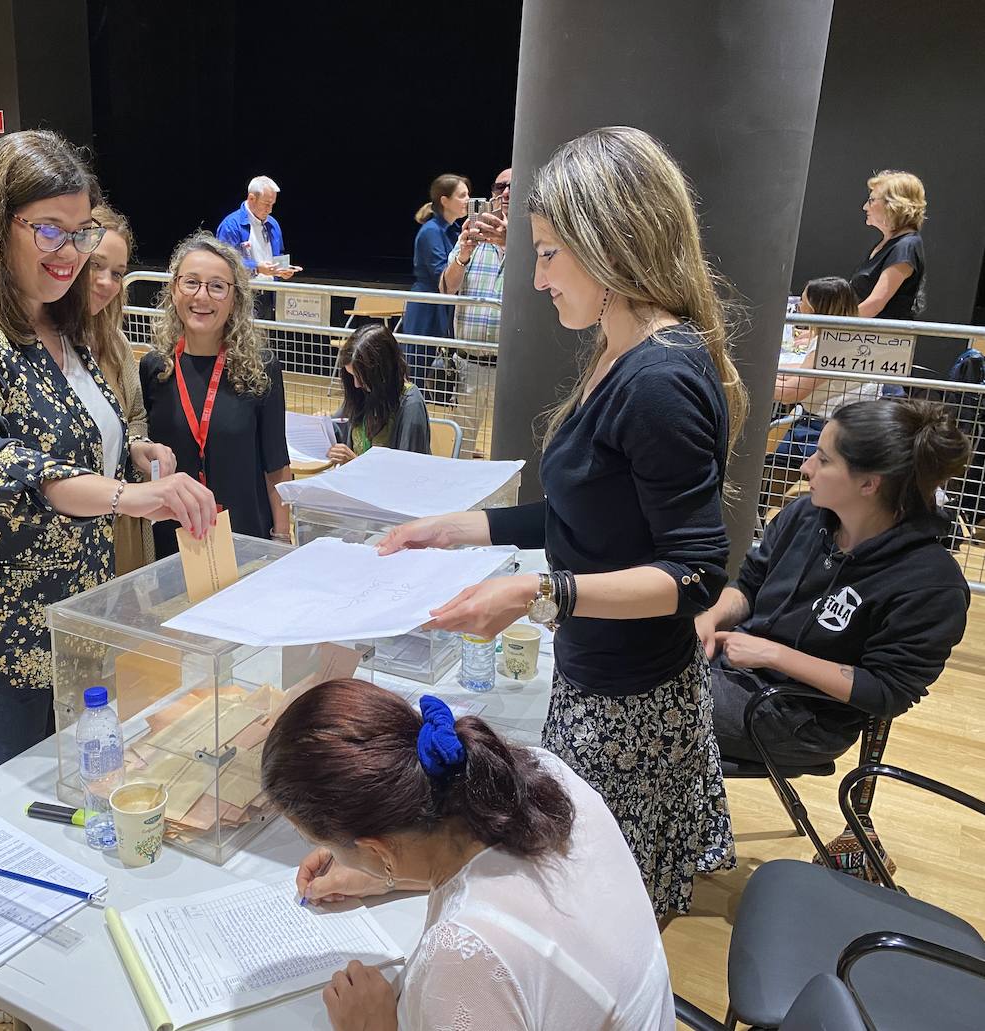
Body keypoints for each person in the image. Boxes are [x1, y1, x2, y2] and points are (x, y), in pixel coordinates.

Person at [378, 127, 747, 916]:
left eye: (548, 254)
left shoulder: (658, 376)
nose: (537, 278)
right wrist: (457, 527)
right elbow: (586, 512)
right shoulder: (622, 349)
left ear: (609, 243)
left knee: (595, 905)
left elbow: (693, 574)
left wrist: (539, 595)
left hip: (630, 702)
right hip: (602, 676)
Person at [0, 131, 216, 792]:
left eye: (81, 231)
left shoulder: (58, 321)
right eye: (49, 231)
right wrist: (126, 498)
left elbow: (74, 432)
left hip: (66, 615)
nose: (71, 253)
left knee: (68, 791)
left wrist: (126, 454)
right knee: (5, 804)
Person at [261, 679, 675, 1031]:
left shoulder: (462, 958)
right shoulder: (544, 776)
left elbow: (484, 952)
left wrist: (374, 1025)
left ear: (375, 846)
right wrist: (388, 873)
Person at [700, 399, 971, 767]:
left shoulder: (931, 584)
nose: (806, 467)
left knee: (637, 699)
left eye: (824, 461)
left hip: (803, 719)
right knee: (621, 661)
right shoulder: (804, 516)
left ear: (869, 484)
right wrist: (710, 618)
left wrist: (774, 654)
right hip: (734, 671)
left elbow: (886, 691)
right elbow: (749, 585)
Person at [141, 232, 291, 556]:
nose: (202, 297)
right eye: (191, 282)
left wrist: (281, 538)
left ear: (235, 298)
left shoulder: (261, 368)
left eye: (217, 286)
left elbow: (277, 464)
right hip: (174, 540)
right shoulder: (154, 368)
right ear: (174, 289)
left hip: (245, 538)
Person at [84, 204, 176, 574]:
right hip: (73, 528)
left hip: (122, 520)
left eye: (118, 273)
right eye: (96, 265)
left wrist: (139, 446)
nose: (107, 282)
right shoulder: (37, 345)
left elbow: (134, 416)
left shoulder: (116, 344)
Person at [765, 277, 884, 505]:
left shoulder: (831, 345)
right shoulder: (841, 335)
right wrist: (770, 368)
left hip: (826, 427)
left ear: (818, 308)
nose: (799, 306)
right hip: (833, 422)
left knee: (770, 474)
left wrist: (755, 379)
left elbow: (791, 392)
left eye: (803, 302)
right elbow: (805, 372)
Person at [439, 167, 511, 455]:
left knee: (508, 448)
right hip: (469, 364)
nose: (505, 192)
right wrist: (464, 256)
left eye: (513, 187)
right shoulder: (470, 234)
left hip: (512, 368)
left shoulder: (537, 239)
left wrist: (510, 243)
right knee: (462, 444)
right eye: (499, 187)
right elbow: (447, 288)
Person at [326, 323, 430, 464]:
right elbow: (339, 428)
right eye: (352, 376)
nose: (356, 384)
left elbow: (409, 469)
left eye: (361, 377)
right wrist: (322, 425)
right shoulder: (362, 392)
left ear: (381, 372)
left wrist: (355, 463)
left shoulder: (410, 403)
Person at [402, 173, 469, 388]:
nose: (468, 200)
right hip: (427, 305)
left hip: (445, 304)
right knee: (417, 368)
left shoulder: (457, 230)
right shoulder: (431, 231)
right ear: (445, 200)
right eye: (462, 195)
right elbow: (440, 273)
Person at [215, 175, 296, 320]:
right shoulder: (231, 225)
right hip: (242, 297)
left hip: (269, 295)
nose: (270, 210)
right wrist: (257, 267)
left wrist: (282, 269)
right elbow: (223, 263)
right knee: (242, 341)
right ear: (251, 198)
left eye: (272, 204)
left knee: (267, 341)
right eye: (266, 204)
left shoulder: (273, 224)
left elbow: (279, 254)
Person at [851, 170, 926, 320]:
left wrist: (826, 327)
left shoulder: (905, 247)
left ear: (894, 204)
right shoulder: (891, 243)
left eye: (872, 200)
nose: (865, 206)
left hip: (877, 339)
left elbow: (875, 304)